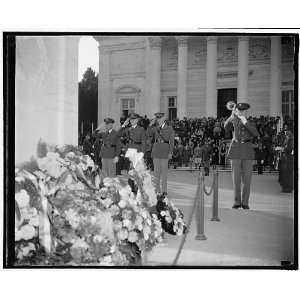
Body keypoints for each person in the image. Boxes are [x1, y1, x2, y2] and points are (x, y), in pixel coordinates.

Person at [224, 103, 259, 210]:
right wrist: (231, 116)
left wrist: (245, 121)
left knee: (247, 180)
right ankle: (237, 201)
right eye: (240, 110)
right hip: (236, 150)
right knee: (236, 179)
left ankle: (245, 202)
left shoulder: (251, 122)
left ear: (246, 111)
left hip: (247, 150)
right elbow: (226, 128)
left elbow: (255, 134)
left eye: (244, 111)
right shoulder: (234, 120)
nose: (242, 112)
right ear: (237, 110)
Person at [148, 112, 174, 195]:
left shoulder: (169, 128)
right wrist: (150, 124)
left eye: (160, 118)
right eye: (157, 118)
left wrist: (170, 152)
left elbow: (172, 142)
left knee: (164, 173)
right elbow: (147, 134)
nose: (159, 120)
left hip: (164, 152)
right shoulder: (155, 128)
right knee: (156, 173)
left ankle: (164, 190)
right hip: (156, 151)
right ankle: (157, 190)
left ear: (164, 118)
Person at [277, 124, 294, 193]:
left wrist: (282, 148)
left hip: (289, 159)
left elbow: (290, 148)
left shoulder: (291, 140)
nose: (286, 133)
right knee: (284, 173)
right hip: (284, 158)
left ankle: (288, 188)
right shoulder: (286, 139)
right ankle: (285, 187)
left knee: (288, 174)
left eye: (287, 132)